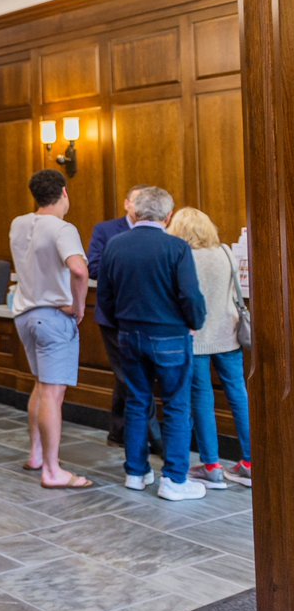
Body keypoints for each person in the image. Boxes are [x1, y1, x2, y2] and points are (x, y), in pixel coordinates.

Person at [98, 186, 208, 501]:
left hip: (129, 335)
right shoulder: (176, 247)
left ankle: (136, 472)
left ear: (136, 211)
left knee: (136, 402)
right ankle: (174, 479)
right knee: (176, 405)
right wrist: (195, 322)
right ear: (168, 215)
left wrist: (124, 324)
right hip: (170, 336)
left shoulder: (115, 245)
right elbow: (190, 294)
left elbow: (105, 295)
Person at [8, 170, 94, 489]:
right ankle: (53, 470)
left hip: (24, 314)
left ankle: (36, 455)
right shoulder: (62, 228)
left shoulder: (18, 223)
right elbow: (79, 270)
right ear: (64, 193)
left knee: (41, 386)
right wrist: (78, 306)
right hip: (53, 315)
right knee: (53, 394)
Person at [167, 206, 252, 488]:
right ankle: (251, 462)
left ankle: (212, 465)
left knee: (202, 400)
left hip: (197, 337)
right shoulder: (226, 252)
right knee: (238, 394)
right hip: (228, 332)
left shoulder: (182, 257)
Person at [87, 187, 163, 452]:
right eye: (136, 199)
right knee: (132, 377)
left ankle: (118, 432)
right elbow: (93, 267)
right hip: (114, 316)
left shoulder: (161, 232)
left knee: (128, 377)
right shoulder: (107, 231)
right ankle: (154, 438)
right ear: (127, 204)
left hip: (148, 315)